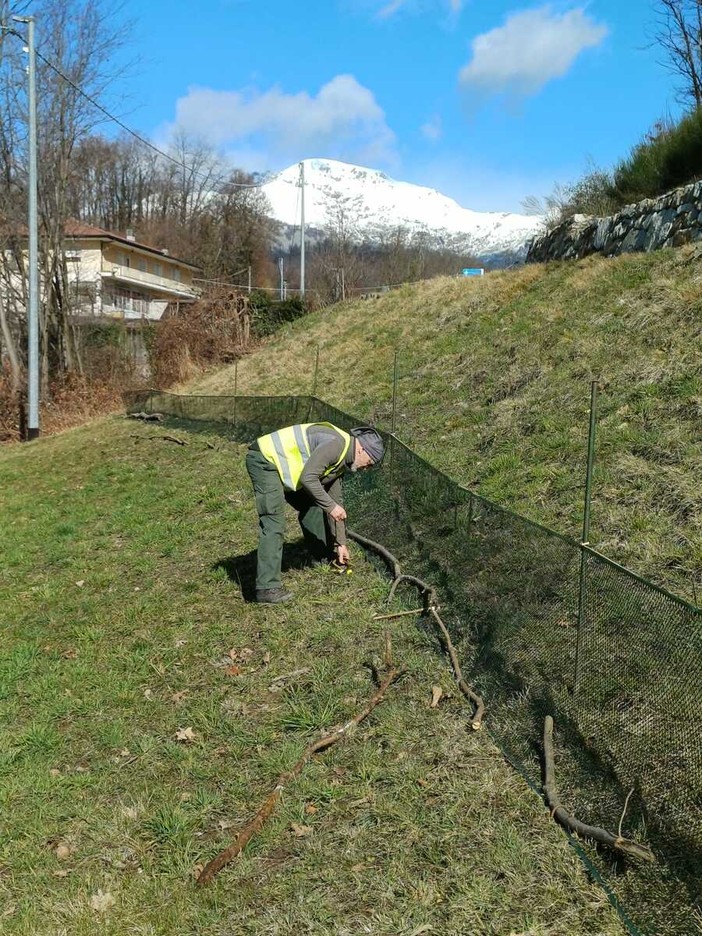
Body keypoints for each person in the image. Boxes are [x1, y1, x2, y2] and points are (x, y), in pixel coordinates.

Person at [245, 421, 384, 603]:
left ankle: (323, 556)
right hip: (265, 460)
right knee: (274, 523)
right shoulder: (336, 446)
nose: (367, 469)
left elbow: (335, 502)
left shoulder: (342, 460)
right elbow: (309, 478)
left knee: (314, 504)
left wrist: (340, 544)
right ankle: (267, 588)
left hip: (281, 466)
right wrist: (331, 507)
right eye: (370, 463)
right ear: (362, 450)